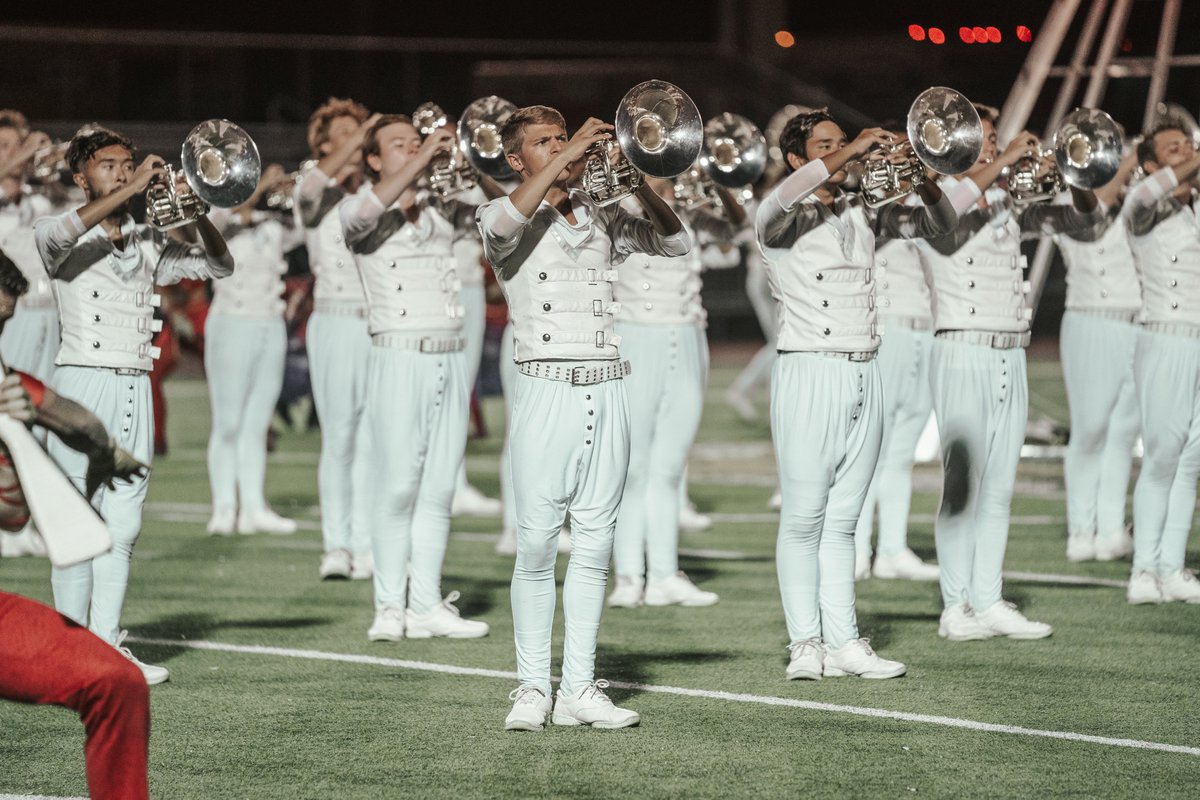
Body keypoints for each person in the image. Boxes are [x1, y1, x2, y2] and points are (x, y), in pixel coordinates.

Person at [478, 106, 690, 730]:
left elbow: (677, 243)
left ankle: (579, 688)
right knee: (539, 543)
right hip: (545, 386)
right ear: (517, 160)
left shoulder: (603, 213)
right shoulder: (500, 215)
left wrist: (637, 184)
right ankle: (529, 688)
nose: (560, 148)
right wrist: (572, 156)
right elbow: (509, 218)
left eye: (561, 137)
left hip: (608, 385)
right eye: (543, 144)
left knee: (596, 546)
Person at [758, 110, 956, 681]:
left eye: (841, 142)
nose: (843, 152)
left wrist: (921, 178)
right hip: (809, 370)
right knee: (803, 518)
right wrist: (855, 150)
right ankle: (804, 643)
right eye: (825, 146)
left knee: (843, 520)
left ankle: (844, 641)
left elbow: (942, 223)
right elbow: (785, 198)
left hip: (865, 368)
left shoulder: (864, 210)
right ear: (798, 158)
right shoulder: (776, 214)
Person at [35, 126, 234, 683]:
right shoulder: (55, 231)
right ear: (81, 176)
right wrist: (139, 185)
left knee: (123, 526)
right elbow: (72, 227)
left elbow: (220, 267)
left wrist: (193, 211)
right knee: (77, 520)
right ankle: (65, 652)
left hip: (134, 386)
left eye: (127, 164)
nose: (122, 171)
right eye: (109, 165)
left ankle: (104, 647)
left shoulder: (148, 240)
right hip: (80, 385)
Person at [923, 105, 1101, 639]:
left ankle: (989, 598)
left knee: (999, 487)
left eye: (998, 138)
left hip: (1009, 351)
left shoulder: (1007, 200)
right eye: (986, 139)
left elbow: (1085, 221)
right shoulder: (929, 197)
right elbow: (947, 217)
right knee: (962, 485)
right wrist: (1000, 165)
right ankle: (956, 607)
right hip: (961, 348)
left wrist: (1080, 176)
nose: (997, 147)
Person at [0, 248, 150, 800]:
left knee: (117, 680)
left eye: (3, 324)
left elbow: (73, 418)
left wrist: (102, 453)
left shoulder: (7, 384)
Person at [339, 114, 489, 641]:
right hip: (399, 353)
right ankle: (388, 605)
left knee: (439, 487)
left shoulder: (442, 204)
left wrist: (470, 165)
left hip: (449, 352)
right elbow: (365, 213)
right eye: (399, 146)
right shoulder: (355, 208)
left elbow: (502, 209)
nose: (414, 150)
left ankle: (424, 602)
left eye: (416, 142)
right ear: (375, 160)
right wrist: (426, 155)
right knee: (399, 485)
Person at [607, 177, 741, 609]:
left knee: (668, 467)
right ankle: (629, 575)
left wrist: (721, 186)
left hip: (686, 337)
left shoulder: (692, 208)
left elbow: (735, 229)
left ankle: (664, 573)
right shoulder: (614, 206)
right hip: (633, 337)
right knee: (632, 468)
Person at [294, 98, 379, 580]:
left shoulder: (377, 189)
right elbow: (311, 185)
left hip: (377, 321)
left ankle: (365, 544)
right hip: (333, 319)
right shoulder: (313, 190)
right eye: (345, 132)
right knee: (340, 436)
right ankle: (336, 545)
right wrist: (364, 132)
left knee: (371, 438)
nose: (358, 138)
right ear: (324, 144)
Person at [1122, 121, 1200, 604]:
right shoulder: (1141, 205)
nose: (1186, 152)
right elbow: (1145, 198)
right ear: (1151, 163)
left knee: (1191, 461)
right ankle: (1142, 571)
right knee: (1162, 458)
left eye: (1188, 144)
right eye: (1173, 149)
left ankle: (1171, 567)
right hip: (1165, 337)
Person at [204, 164, 303, 535]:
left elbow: (305, 226)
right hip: (231, 322)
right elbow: (226, 217)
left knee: (257, 423)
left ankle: (253, 507)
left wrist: (296, 191)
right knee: (228, 422)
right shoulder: (217, 215)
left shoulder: (273, 224)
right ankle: (224, 507)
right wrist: (261, 187)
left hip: (269, 324)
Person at [1054, 149, 1141, 563]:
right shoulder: (1068, 199)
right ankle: (1080, 531)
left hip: (1138, 322)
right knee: (1089, 431)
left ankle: (1110, 531)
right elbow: (1093, 210)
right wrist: (1129, 165)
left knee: (1124, 433)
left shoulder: (1132, 199)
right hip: (1091, 319)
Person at [853, 231, 940, 581]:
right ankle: (857, 549)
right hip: (885, 329)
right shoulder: (869, 199)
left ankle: (892, 549)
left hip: (927, 330)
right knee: (873, 452)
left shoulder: (929, 201)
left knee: (903, 453)